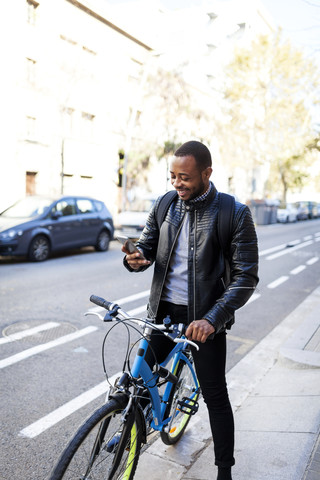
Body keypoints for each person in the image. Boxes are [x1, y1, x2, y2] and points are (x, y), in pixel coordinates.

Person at [121, 140, 259, 480]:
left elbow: (246, 277)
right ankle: (133, 431)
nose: (177, 184)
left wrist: (213, 320)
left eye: (184, 177)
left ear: (206, 173)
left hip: (204, 320)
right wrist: (136, 259)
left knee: (215, 394)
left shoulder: (234, 213)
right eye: (172, 176)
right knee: (134, 380)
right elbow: (147, 247)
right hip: (163, 313)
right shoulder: (165, 204)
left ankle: (224, 469)